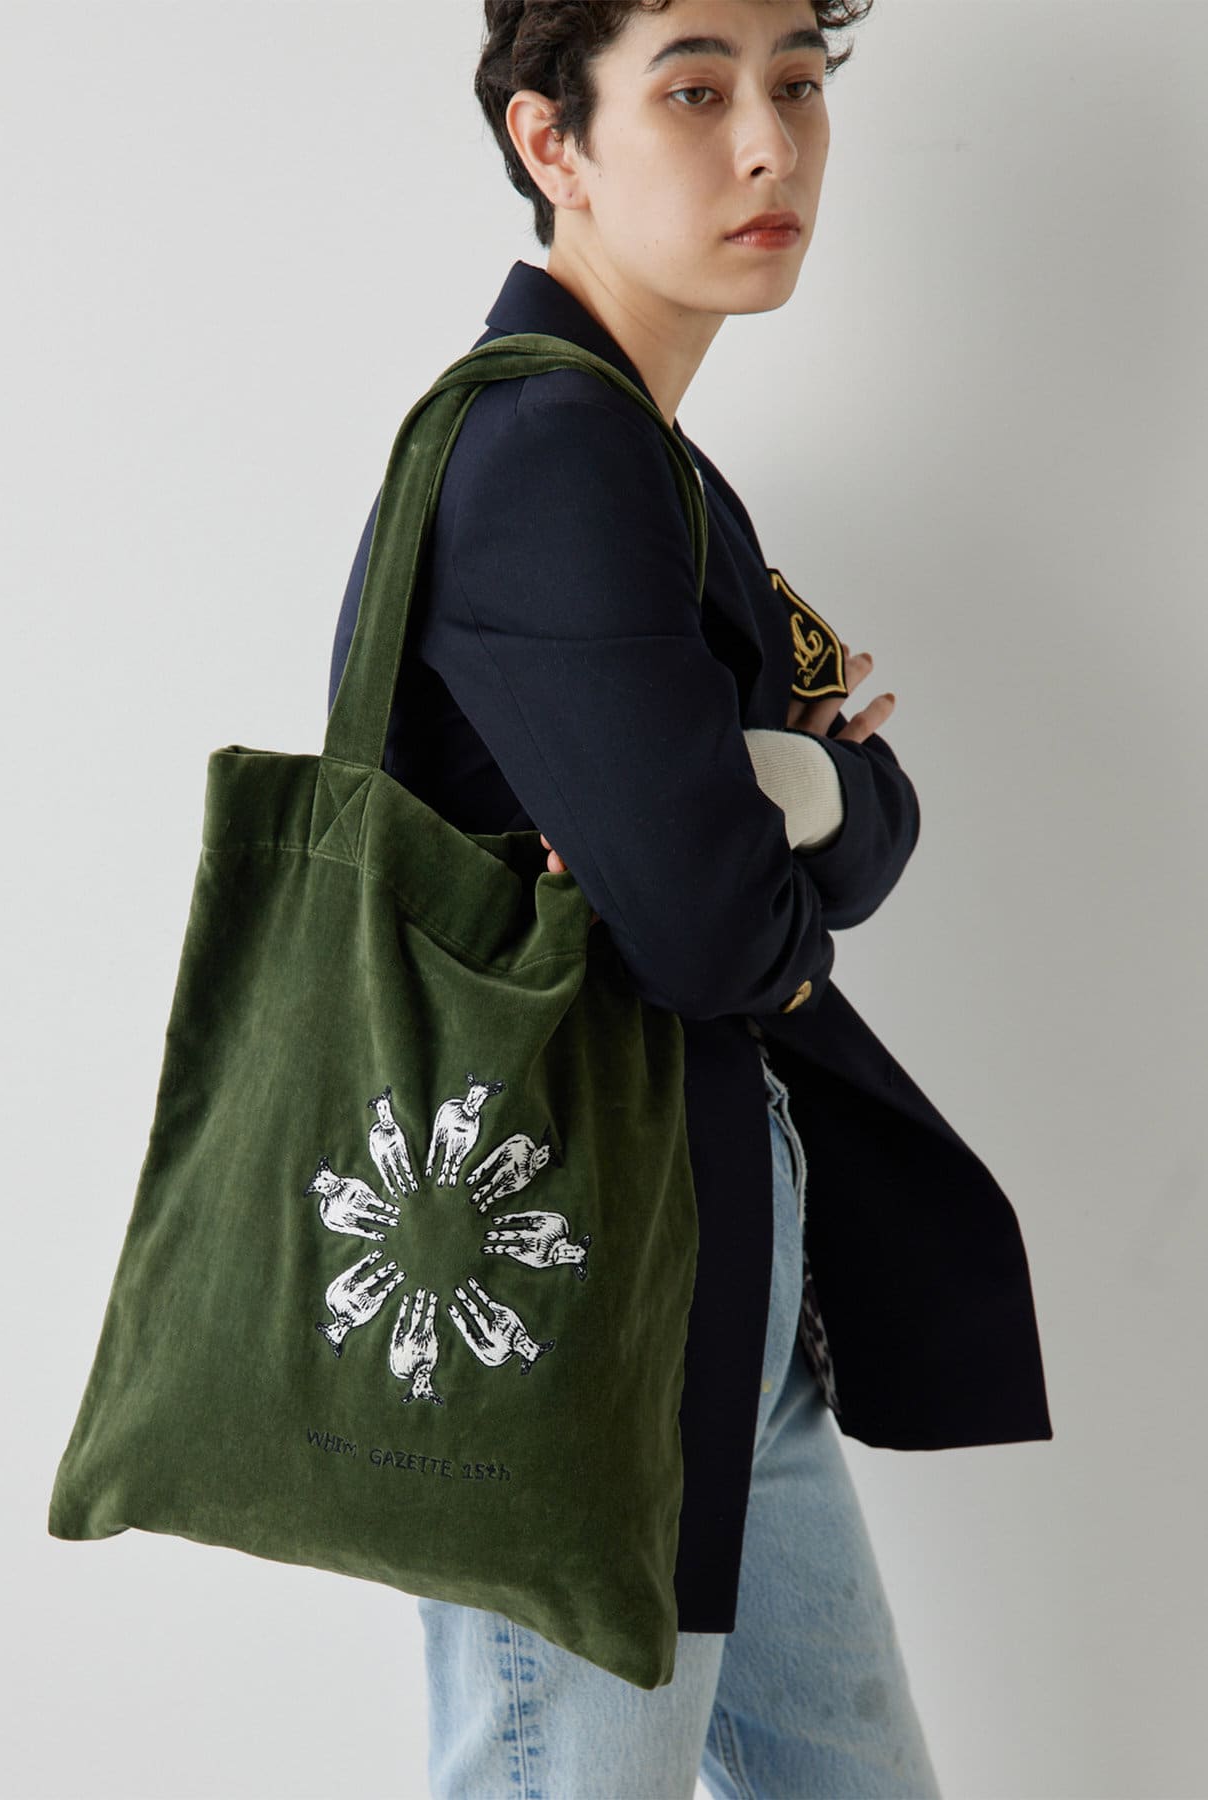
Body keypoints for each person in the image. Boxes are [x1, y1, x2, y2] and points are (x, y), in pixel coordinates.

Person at [326, 2, 1052, 1794]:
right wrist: (777, 804)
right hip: (570, 1268)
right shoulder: (551, 454)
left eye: (798, 83)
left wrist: (786, 788)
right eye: (696, 91)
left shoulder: (648, 456)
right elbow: (717, 925)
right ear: (549, 141)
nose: (768, 144)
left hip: (709, 1252)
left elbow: (862, 823)